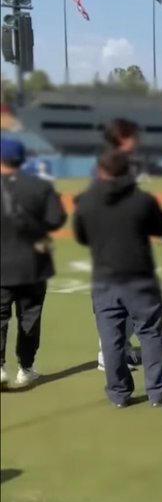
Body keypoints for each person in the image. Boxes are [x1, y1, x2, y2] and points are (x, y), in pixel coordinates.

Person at [73, 150, 162, 408]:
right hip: (139, 279)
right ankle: (159, 390)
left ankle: (119, 393)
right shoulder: (142, 200)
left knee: (111, 339)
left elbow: (81, 236)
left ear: (101, 172)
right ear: (128, 171)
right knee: (150, 333)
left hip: (104, 280)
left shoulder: (86, 201)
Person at [0, 138, 66, 388]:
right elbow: (56, 219)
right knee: (30, 317)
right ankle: (25, 368)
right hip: (33, 263)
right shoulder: (40, 186)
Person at [96, 117, 143, 373]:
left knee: (124, 303)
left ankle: (119, 347)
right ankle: (108, 353)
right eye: (133, 136)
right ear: (122, 138)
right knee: (123, 303)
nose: (137, 140)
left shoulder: (120, 161)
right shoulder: (113, 162)